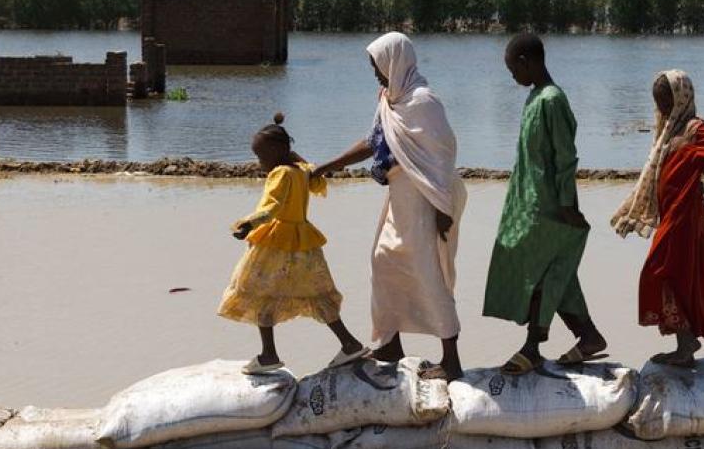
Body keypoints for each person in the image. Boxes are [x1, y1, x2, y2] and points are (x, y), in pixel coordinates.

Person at [312, 33, 466, 380]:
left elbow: (443, 154)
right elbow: (373, 142)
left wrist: (443, 209)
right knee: (383, 261)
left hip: (427, 197)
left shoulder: (424, 101)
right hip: (400, 194)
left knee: (428, 272)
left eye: (379, 67)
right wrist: (328, 166)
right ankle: (389, 342)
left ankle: (452, 360)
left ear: (395, 63)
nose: (377, 75)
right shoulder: (389, 99)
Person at [483, 33, 608, 375]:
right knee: (557, 273)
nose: (513, 78)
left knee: (539, 272)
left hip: (551, 206)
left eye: (513, 70)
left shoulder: (552, 100)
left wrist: (567, 204)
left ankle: (533, 346)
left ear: (527, 62)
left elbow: (565, 157)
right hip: (529, 202)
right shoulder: (535, 97)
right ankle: (589, 336)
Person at [219, 113, 368, 375]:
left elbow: (272, 208)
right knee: (319, 294)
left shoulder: (280, 174)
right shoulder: (301, 171)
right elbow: (309, 168)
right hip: (304, 245)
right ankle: (349, 343)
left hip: (275, 243)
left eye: (261, 155)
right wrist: (292, 154)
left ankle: (269, 355)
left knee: (259, 292)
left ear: (277, 152)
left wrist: (248, 224)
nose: (259, 162)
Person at [610, 71, 704, 366]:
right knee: (677, 275)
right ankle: (685, 342)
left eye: (668, 101)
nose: (664, 108)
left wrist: (699, 168)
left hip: (686, 214)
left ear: (681, 98)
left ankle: (686, 341)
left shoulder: (695, 128)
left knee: (659, 270)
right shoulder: (668, 130)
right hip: (673, 212)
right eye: (660, 103)